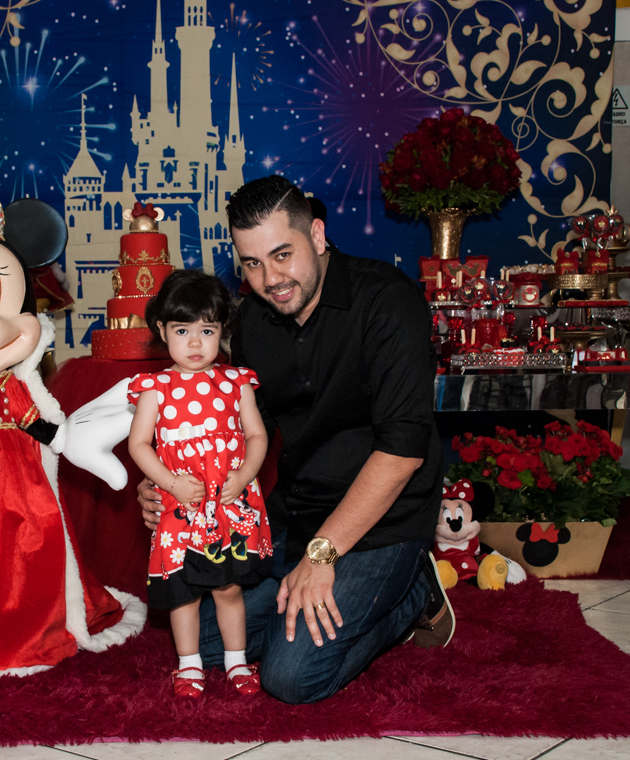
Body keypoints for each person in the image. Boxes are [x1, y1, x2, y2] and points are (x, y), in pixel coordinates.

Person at [137, 175, 452, 704]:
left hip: (384, 521)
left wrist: (322, 557)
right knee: (208, 642)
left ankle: (413, 593)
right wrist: (166, 483)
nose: (271, 278)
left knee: (292, 676)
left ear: (319, 236)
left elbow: (402, 452)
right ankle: (319, 600)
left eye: (283, 254)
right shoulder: (256, 322)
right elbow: (231, 432)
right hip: (299, 512)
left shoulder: (387, 301)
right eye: (252, 263)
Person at [128, 269, 273, 697]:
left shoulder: (236, 382)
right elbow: (139, 445)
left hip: (229, 503)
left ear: (222, 330)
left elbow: (258, 436)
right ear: (162, 330)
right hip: (183, 506)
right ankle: (188, 666)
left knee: (229, 586)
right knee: (184, 592)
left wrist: (245, 474)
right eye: (182, 330)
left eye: (207, 330)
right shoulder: (154, 388)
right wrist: (171, 484)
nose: (195, 342)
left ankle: (236, 662)